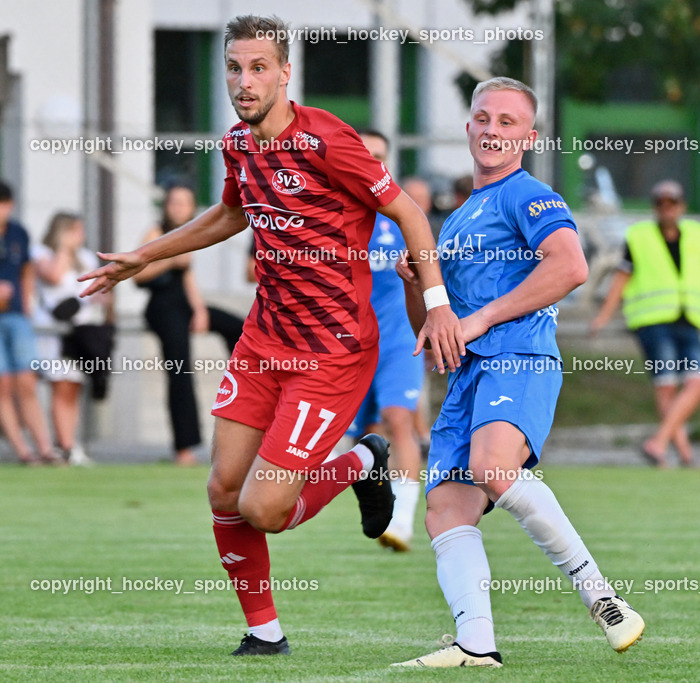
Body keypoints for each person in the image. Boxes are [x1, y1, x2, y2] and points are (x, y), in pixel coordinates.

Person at [80, 14, 462, 656]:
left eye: (258, 67)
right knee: (223, 488)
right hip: (264, 342)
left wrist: (438, 301)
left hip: (331, 352)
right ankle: (264, 632)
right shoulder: (238, 143)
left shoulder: (329, 140)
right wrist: (147, 255)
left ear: (286, 72)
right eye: (234, 67)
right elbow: (230, 213)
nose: (244, 80)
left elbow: (409, 212)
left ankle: (361, 461)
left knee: (264, 509)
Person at [391, 77, 644, 669]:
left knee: (493, 467)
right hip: (465, 379)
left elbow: (572, 265)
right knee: (445, 510)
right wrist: (415, 286)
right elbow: (434, 334)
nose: (493, 131)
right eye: (484, 118)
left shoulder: (530, 196)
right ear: (470, 126)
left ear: (527, 138)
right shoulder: (454, 223)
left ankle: (601, 597)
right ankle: (476, 645)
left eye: (508, 123)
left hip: (518, 357)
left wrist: (479, 321)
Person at [590, 180, 700, 466]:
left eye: (672, 204)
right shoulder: (639, 236)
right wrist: (603, 317)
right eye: (661, 204)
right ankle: (684, 454)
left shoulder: (698, 235)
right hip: (652, 321)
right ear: (655, 208)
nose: (667, 210)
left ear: (682, 207)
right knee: (666, 387)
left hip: (689, 317)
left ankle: (658, 442)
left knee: (699, 382)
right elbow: (621, 277)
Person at [345, 130, 426, 552]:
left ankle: (404, 522)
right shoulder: (336, 217)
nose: (371, 162)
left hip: (398, 342)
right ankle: (382, 509)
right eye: (364, 155)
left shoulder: (402, 216)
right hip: (353, 346)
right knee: (368, 437)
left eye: (378, 156)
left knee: (400, 419)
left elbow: (430, 270)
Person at [133, 185, 245, 466]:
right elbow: (138, 275)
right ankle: (184, 448)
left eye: (185, 203)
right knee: (180, 369)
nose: (178, 207)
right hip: (162, 307)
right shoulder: (156, 232)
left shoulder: (189, 235)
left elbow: (188, 279)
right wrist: (170, 260)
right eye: (174, 202)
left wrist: (199, 310)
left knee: (239, 327)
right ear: (166, 206)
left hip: (185, 305)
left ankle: (248, 382)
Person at [33, 212, 109, 465]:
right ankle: (63, 445)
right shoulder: (42, 253)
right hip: (55, 332)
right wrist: (64, 248)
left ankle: (69, 443)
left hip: (81, 331)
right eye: (75, 231)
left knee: (74, 387)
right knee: (61, 386)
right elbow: (54, 275)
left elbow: (97, 289)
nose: (80, 236)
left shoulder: (85, 257)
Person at [0, 181, 58, 465]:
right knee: (3, 384)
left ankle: (45, 448)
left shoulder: (18, 234)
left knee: (27, 380)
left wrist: (25, 305)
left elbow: (26, 271)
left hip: (16, 316)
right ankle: (24, 452)